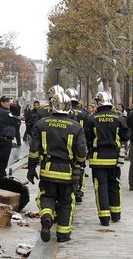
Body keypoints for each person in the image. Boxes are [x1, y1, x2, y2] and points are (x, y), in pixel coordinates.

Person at [28, 92, 87, 243]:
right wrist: (80, 165)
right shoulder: (75, 127)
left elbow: (34, 150)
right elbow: (81, 152)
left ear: (52, 106)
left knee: (47, 196)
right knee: (67, 201)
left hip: (47, 169)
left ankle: (47, 217)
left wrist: (31, 168)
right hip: (67, 171)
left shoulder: (41, 124)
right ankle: (63, 234)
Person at [84, 91, 130, 226]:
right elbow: (126, 136)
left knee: (101, 186)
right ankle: (116, 214)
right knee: (115, 184)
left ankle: (104, 218)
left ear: (98, 103)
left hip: (98, 158)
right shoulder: (118, 118)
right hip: (115, 158)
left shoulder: (92, 119)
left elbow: (87, 138)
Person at [65, 88, 89, 203]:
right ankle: (79, 190)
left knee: (69, 168)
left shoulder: (66, 112)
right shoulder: (85, 112)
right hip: (81, 143)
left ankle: (70, 189)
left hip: (68, 143)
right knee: (81, 167)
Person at [0, 96, 23, 179]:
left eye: (9, 101)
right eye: (7, 101)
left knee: (4, 159)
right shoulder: (3, 112)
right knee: (3, 159)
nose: (9, 103)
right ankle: (0, 176)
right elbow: (14, 120)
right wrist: (19, 118)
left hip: (5, 137)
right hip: (4, 138)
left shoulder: (5, 110)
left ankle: (1, 175)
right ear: (2, 102)